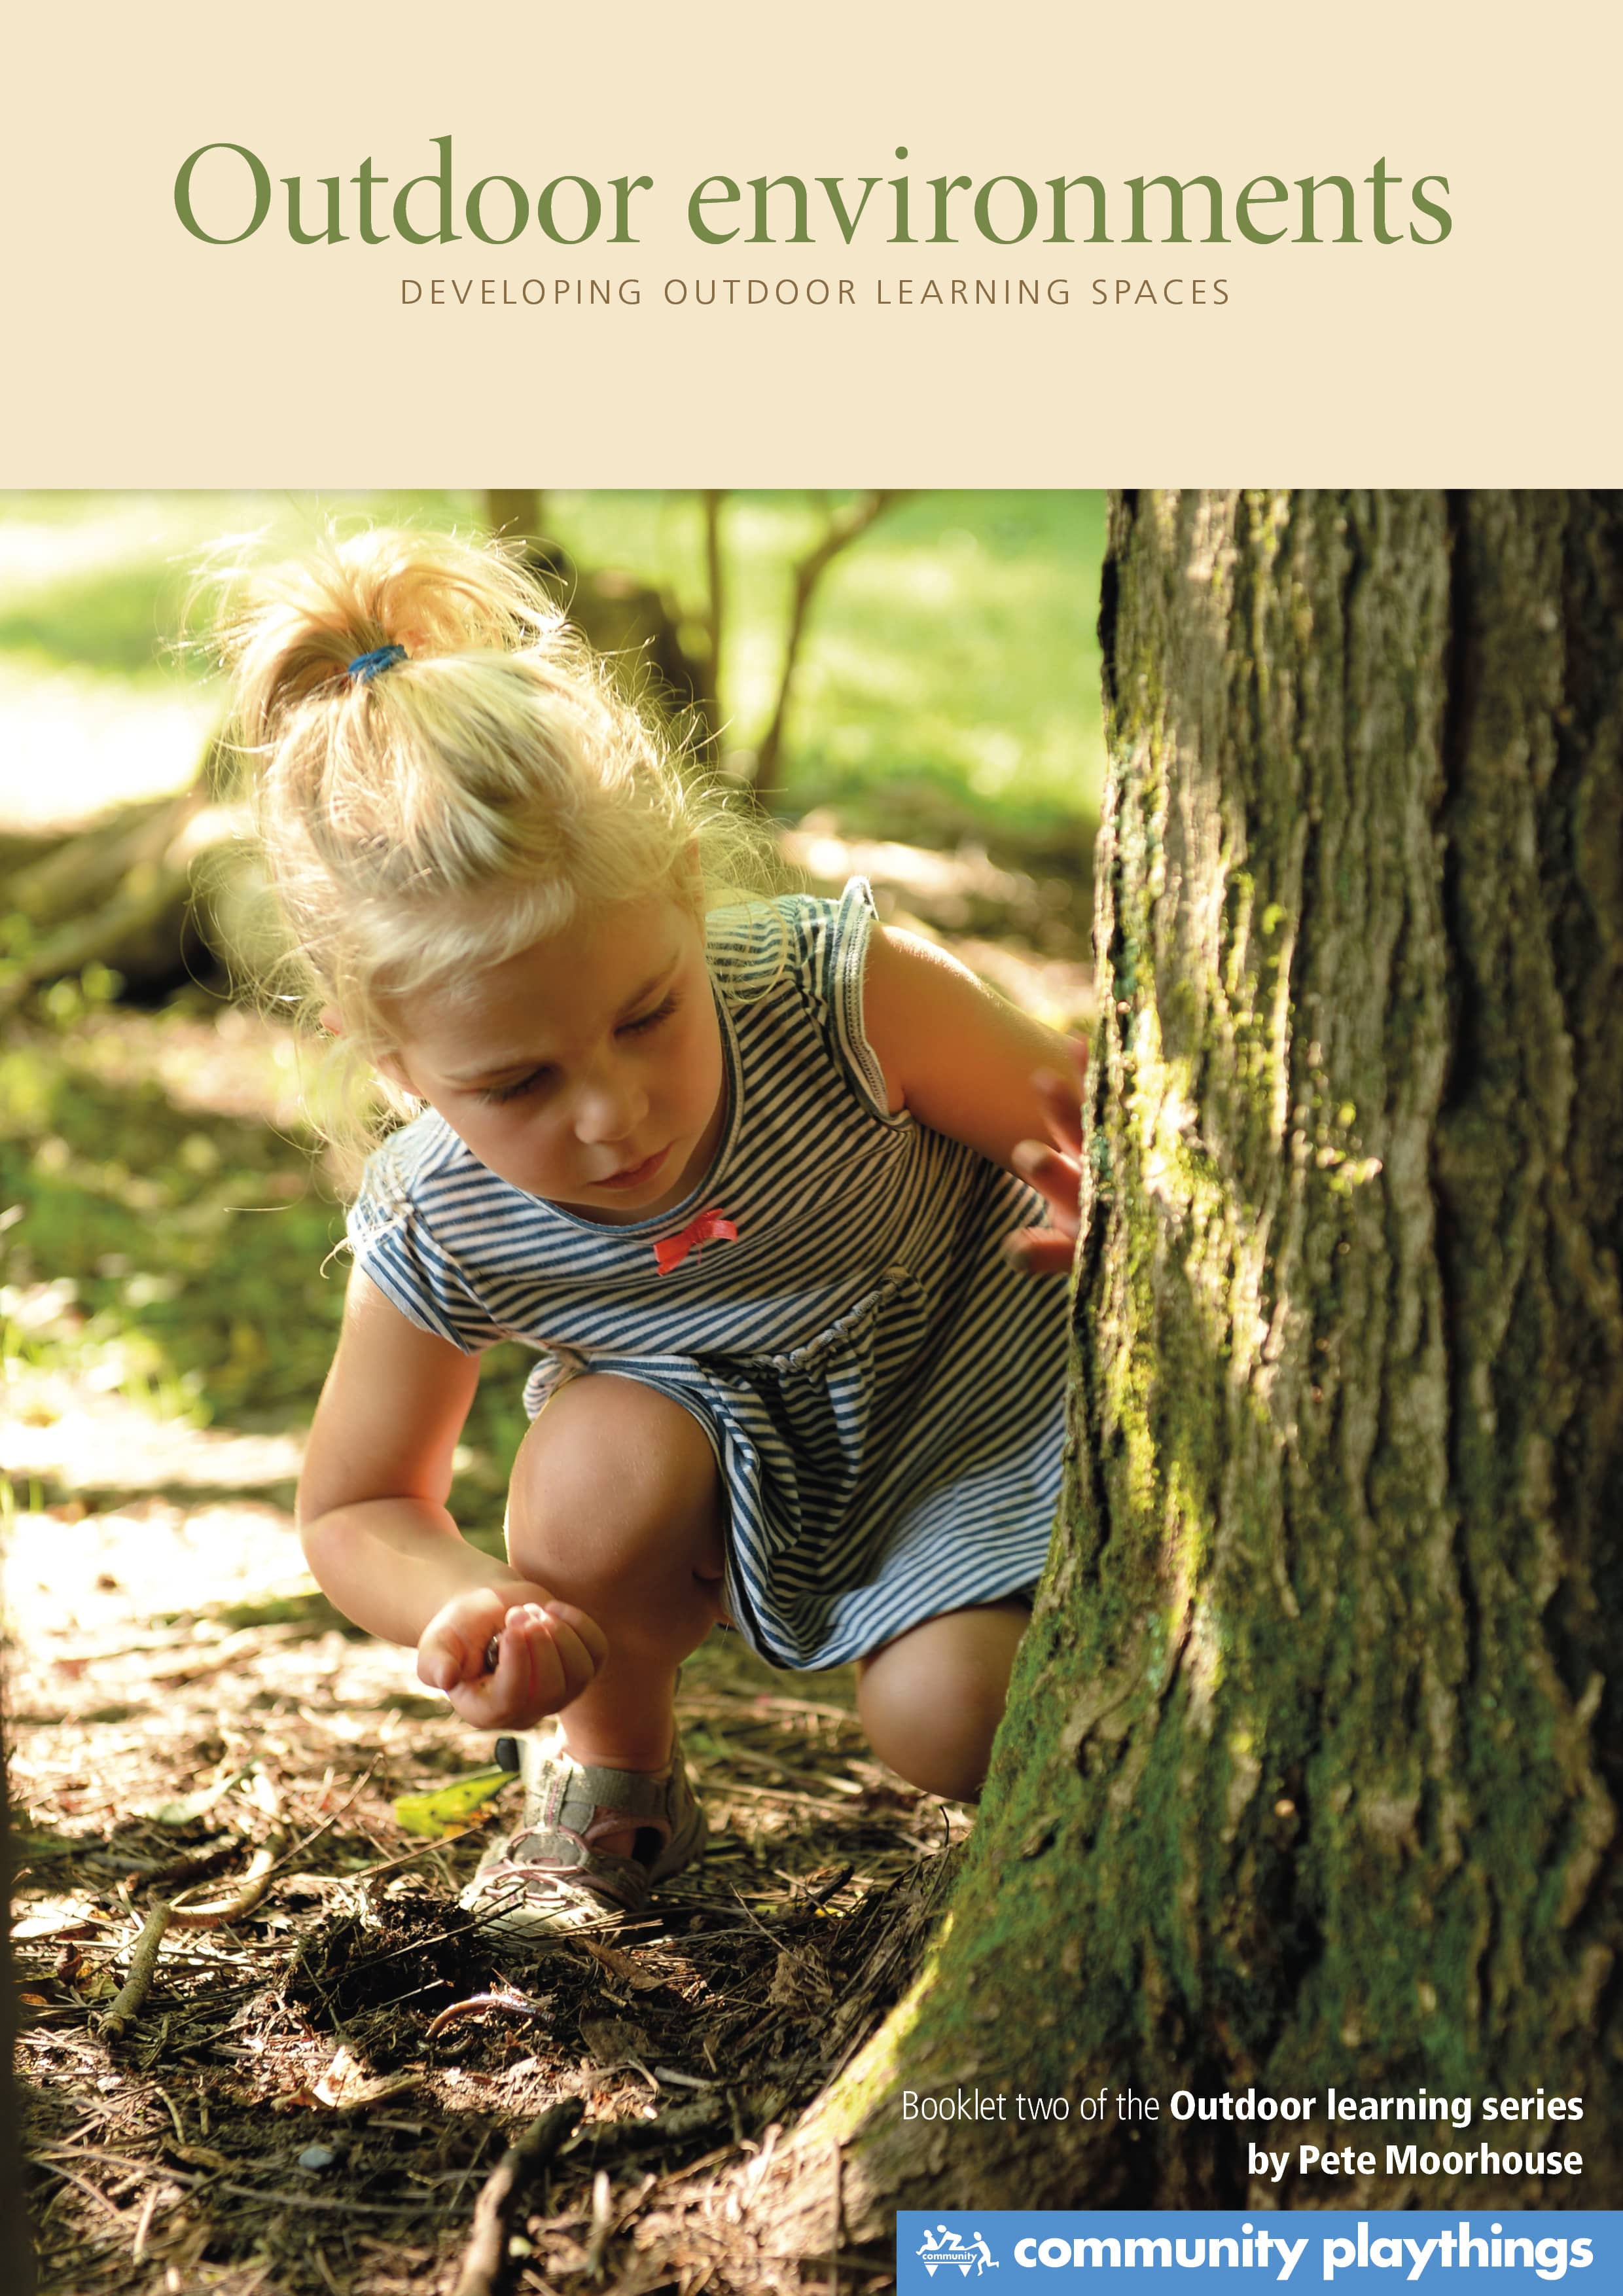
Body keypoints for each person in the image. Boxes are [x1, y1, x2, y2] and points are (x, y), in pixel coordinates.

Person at [217, 525, 1084, 1941]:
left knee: (949, 1721)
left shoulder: (832, 993)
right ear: (395, 1068)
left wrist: (1099, 1205)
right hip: (749, 1484)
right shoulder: (442, 1210)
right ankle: (614, 1782)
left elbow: (1089, 1127)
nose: (614, 1112)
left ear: (686, 889)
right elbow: (358, 1501)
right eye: (517, 1082)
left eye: (645, 1015)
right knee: (590, 1463)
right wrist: (467, 1603)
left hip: (1000, 1422)